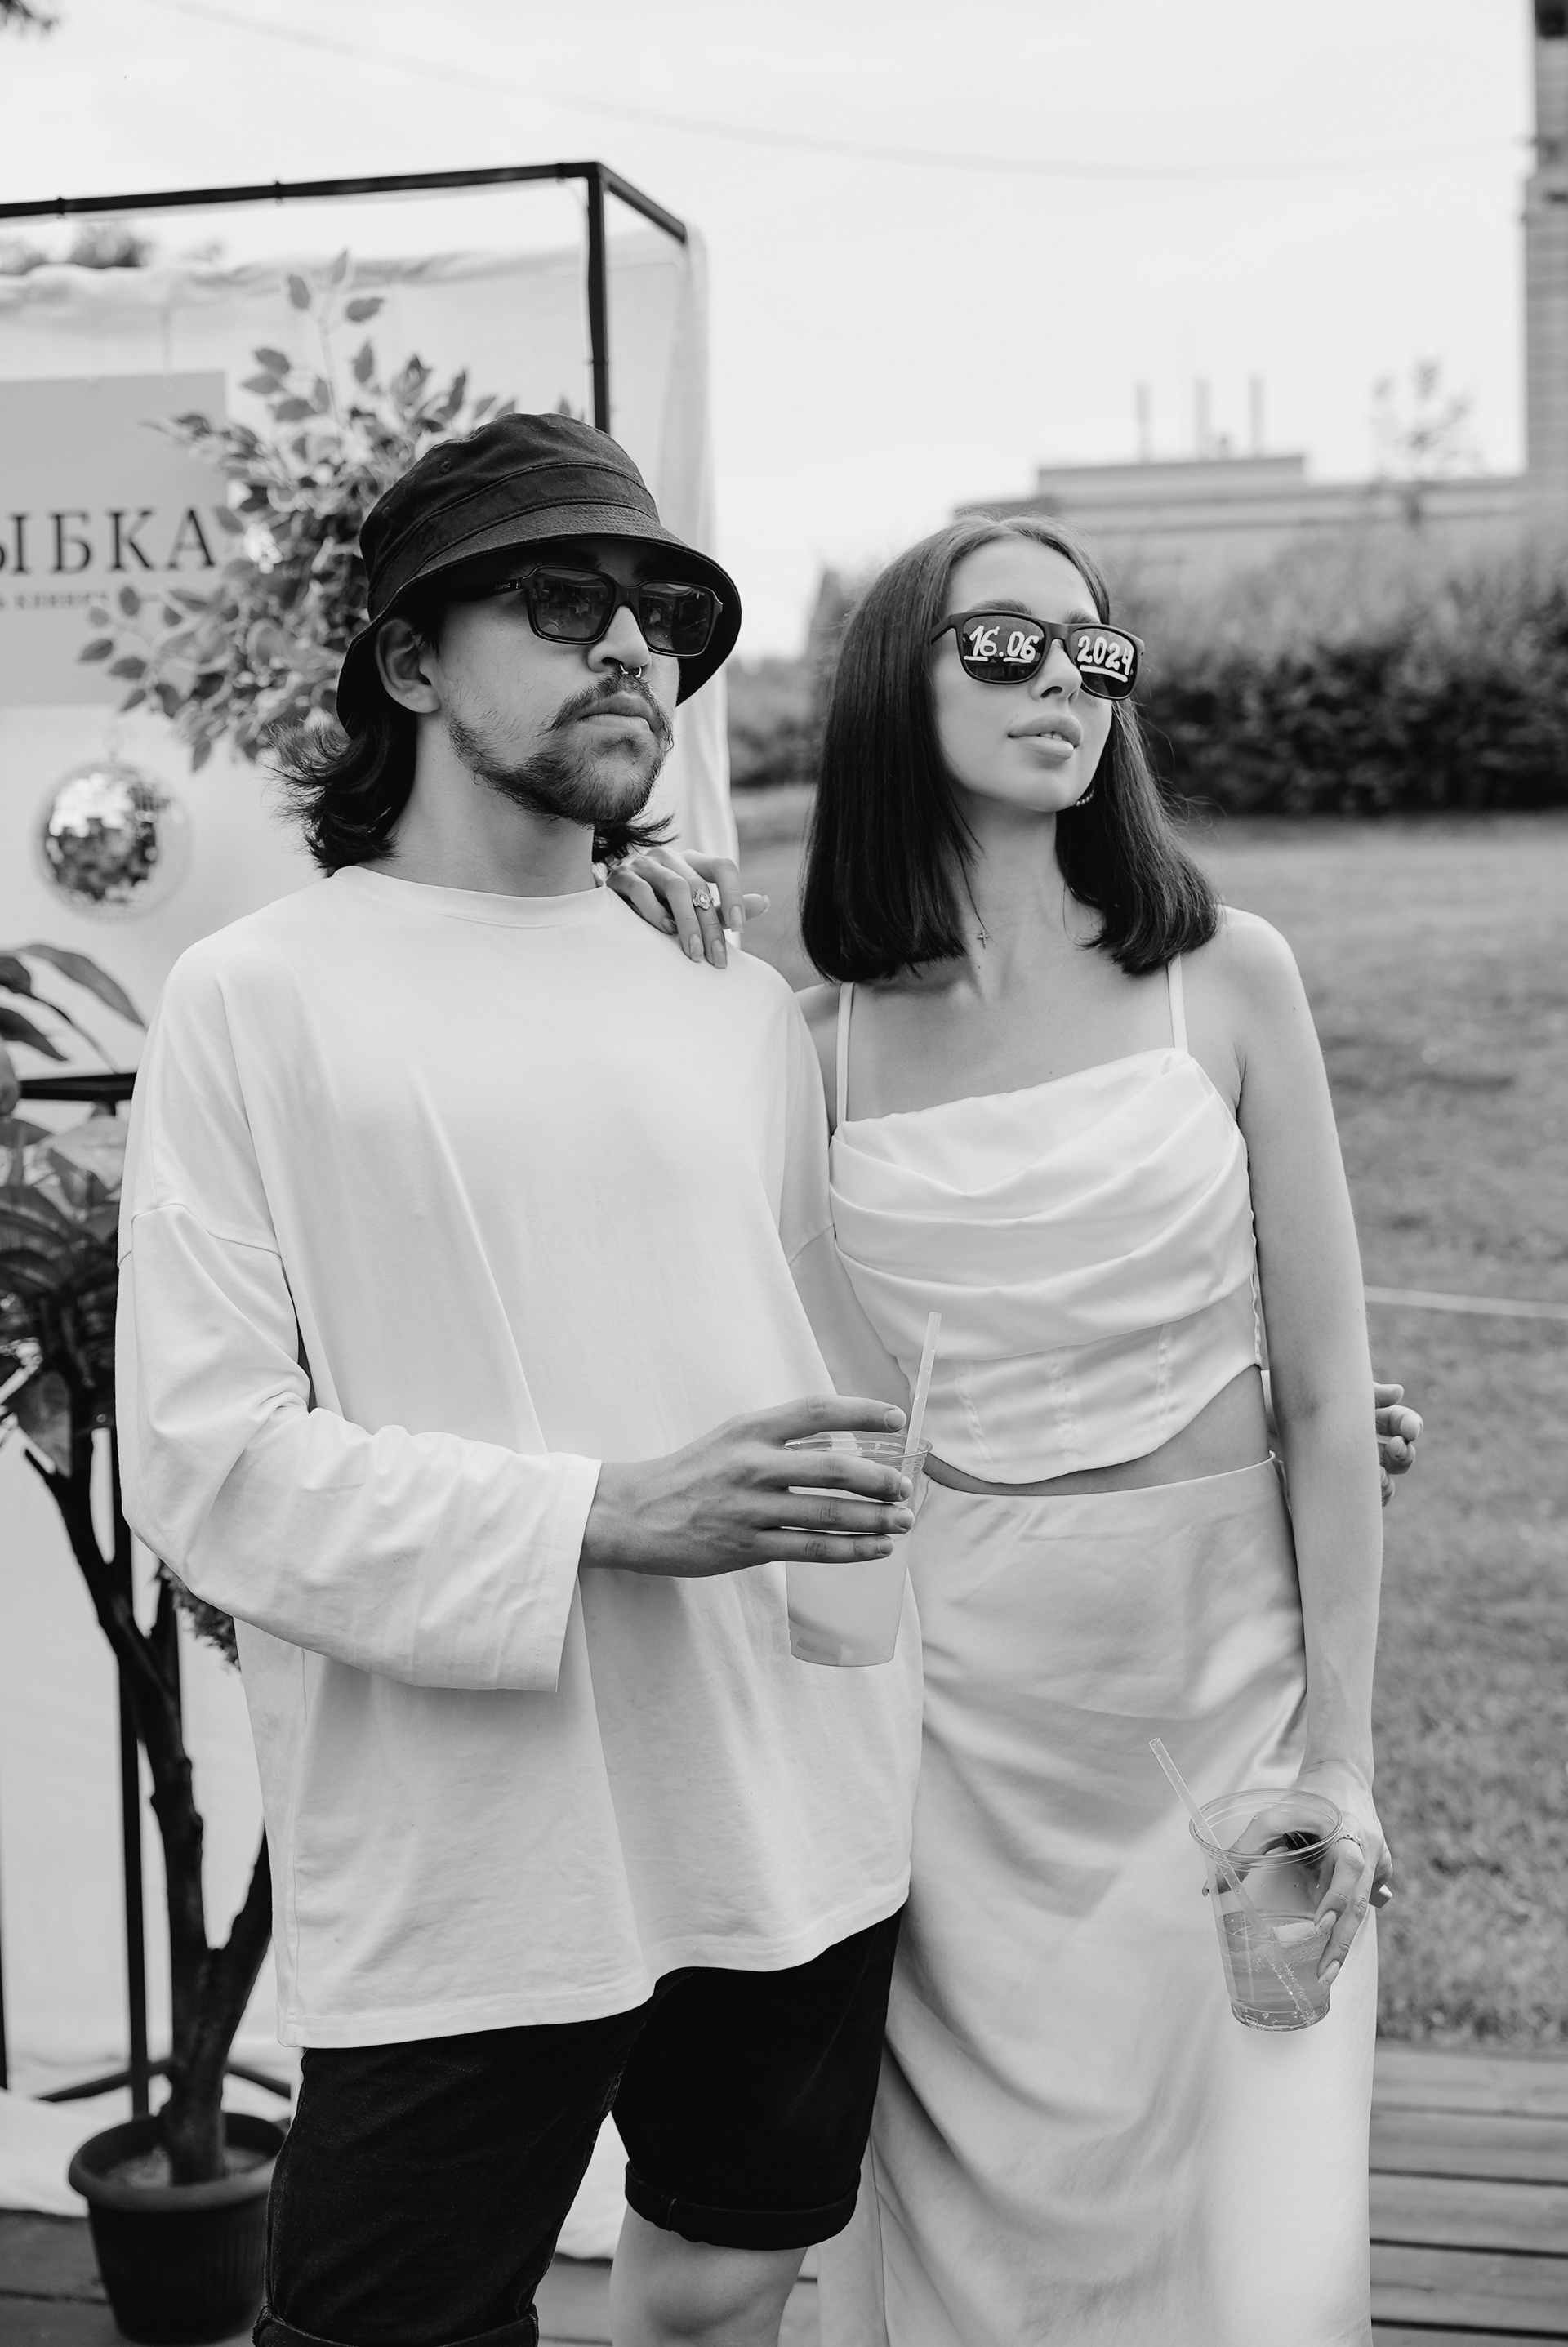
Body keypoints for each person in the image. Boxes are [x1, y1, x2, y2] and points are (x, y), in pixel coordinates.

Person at [115, 412, 928, 2347]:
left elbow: (863, 1340)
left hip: (785, 1806)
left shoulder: (731, 995)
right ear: (409, 661)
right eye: (565, 602)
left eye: (663, 617)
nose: (631, 646)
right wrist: (610, 1514)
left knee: (723, 2285)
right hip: (471, 1849)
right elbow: (208, 1467)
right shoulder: (257, 998)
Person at [618, 513, 1414, 2347]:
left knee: (1265, 2243)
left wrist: (1346, 1752)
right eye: (1004, 645)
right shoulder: (809, 1046)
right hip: (959, 1723)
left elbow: (1319, 1392)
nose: (1064, 681)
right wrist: (623, 911)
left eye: (1093, 651)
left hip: (1229, 1684)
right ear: (896, 686)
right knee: (985, 2246)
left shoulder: (1230, 978)